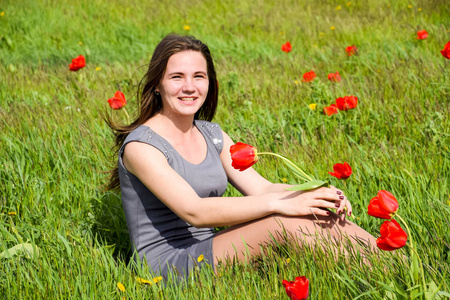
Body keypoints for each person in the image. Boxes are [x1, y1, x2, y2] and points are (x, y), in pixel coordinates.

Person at [107, 33, 377, 279]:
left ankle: (390, 263)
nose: (189, 87)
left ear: (209, 83)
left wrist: (316, 193)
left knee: (315, 211)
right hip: (167, 267)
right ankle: (379, 271)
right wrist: (283, 204)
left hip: (211, 247)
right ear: (157, 85)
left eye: (199, 76)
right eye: (177, 77)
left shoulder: (211, 134)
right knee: (281, 222)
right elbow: (195, 211)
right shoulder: (141, 146)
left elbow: (262, 188)